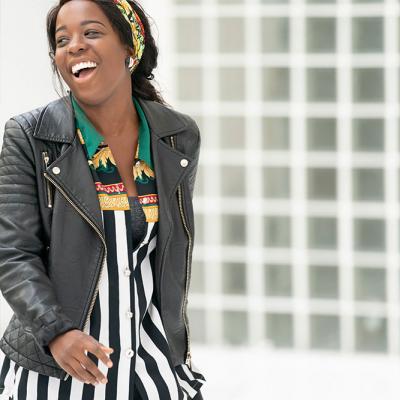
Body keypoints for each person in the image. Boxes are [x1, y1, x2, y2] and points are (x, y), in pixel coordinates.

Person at [0, 0, 205, 399]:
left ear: (130, 47)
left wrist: (177, 353)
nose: (74, 46)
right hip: (56, 371)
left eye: (91, 32)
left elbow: (165, 252)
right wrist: (55, 331)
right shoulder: (30, 136)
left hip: (151, 364)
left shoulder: (177, 136)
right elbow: (13, 253)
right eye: (62, 40)